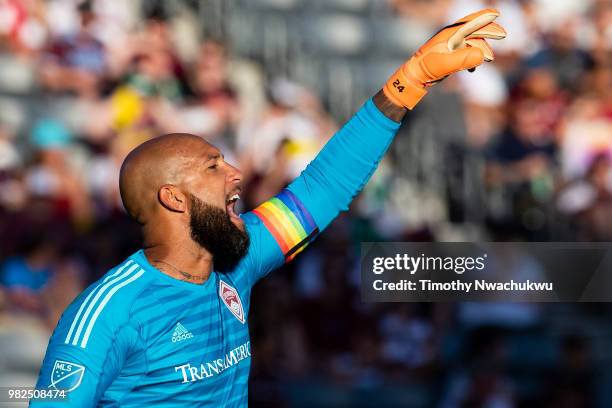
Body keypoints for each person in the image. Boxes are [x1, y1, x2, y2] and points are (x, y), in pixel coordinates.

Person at [31, 9, 505, 407]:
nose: (235, 173)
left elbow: (324, 187)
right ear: (172, 197)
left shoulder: (236, 262)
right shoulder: (107, 315)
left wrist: (412, 78)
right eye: (213, 166)